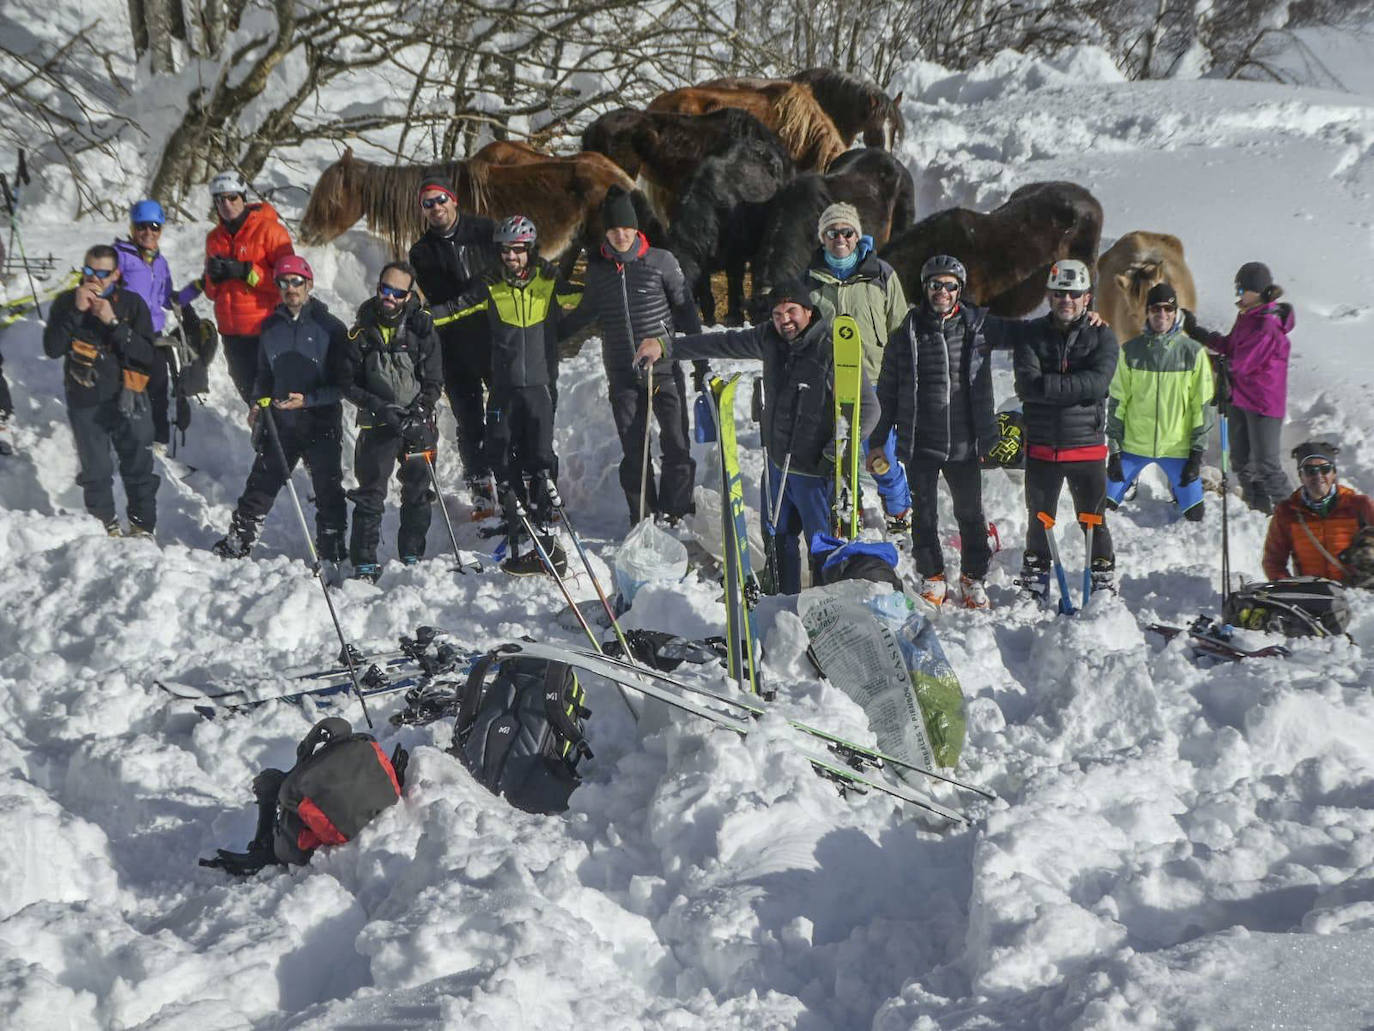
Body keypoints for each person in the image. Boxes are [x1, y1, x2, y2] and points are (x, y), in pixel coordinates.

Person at [636, 280, 877, 594]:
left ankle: (823, 607)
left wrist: (835, 452)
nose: (784, 320)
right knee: (777, 540)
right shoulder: (769, 339)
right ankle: (783, 602)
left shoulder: (832, 349)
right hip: (777, 467)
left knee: (823, 549)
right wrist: (666, 347)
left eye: (792, 311)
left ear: (808, 310)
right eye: (777, 314)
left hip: (816, 473)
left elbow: (869, 409)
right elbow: (721, 343)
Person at [436, 215, 580, 575]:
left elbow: (585, 298)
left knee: (541, 454)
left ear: (529, 250)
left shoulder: (548, 281)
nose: (511, 257)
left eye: (517, 250)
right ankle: (514, 514)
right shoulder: (489, 285)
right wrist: (414, 316)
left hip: (538, 389)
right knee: (498, 450)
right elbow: (452, 310)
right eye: (505, 250)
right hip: (502, 390)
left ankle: (544, 517)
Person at [562, 185, 704, 525]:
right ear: (606, 232)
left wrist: (701, 361)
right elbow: (584, 313)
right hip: (622, 374)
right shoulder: (599, 272)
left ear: (636, 228)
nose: (621, 234)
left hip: (664, 369)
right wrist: (546, 336)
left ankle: (677, 511)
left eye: (626, 228)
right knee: (635, 450)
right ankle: (643, 515)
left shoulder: (661, 262)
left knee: (676, 443)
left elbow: (686, 310)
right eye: (614, 229)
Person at [212, 256, 349, 562]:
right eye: (283, 283)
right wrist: (258, 404)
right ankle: (239, 541)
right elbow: (264, 374)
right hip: (281, 421)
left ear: (309, 283)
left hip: (321, 420)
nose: (290, 288)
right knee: (261, 482)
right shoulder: (270, 326)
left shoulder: (331, 328)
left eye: (297, 281)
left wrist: (309, 400)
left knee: (327, 488)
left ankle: (333, 549)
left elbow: (344, 385)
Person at [1014, 259, 1119, 596]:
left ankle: (1102, 575)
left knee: (1092, 519)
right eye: (1060, 293)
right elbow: (1027, 384)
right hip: (1042, 448)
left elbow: (1099, 383)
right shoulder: (1032, 334)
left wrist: (1050, 387)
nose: (1066, 300)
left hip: (1086, 447)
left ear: (1087, 297)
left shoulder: (1103, 335)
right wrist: (1074, 387)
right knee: (1039, 518)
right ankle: (1036, 573)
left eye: (1074, 293)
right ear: (1049, 296)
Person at [805, 202, 912, 533]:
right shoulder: (808, 279)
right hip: (830, 384)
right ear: (822, 237)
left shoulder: (881, 273)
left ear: (857, 235)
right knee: (837, 455)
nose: (841, 238)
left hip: (876, 381)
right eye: (833, 232)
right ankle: (846, 510)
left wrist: (901, 378)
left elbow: (900, 327)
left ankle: (898, 512)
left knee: (880, 458)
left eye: (847, 232)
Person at [335, 261, 444, 582]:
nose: (390, 297)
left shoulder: (422, 330)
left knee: (418, 490)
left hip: (416, 422)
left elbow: (435, 379)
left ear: (409, 295)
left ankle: (412, 554)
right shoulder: (360, 331)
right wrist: (381, 409)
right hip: (377, 422)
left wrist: (420, 412)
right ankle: (365, 561)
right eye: (385, 289)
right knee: (370, 491)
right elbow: (347, 382)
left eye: (398, 293)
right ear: (378, 287)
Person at [41, 245, 159, 535]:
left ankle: (142, 528)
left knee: (139, 468)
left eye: (103, 273)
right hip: (85, 400)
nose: (95, 279)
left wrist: (113, 323)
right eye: (89, 271)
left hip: (129, 396)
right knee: (96, 471)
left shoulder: (131, 304)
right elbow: (52, 349)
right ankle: (104, 528)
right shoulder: (67, 302)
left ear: (116, 274)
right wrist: (76, 314)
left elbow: (147, 354)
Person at [408, 176, 499, 502]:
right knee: (469, 419)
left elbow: (494, 280)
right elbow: (434, 301)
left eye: (440, 200)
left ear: (453, 200)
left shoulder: (485, 232)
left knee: (503, 412)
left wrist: (453, 307)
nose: (436, 208)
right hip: (454, 349)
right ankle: (480, 487)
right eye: (427, 203)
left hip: (493, 338)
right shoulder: (421, 252)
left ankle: (512, 476)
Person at [1184, 261, 1293, 514]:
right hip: (1239, 398)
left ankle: (1296, 520)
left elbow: (1238, 364)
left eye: (1242, 290)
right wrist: (1199, 333)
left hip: (1263, 404)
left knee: (1267, 465)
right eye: (1238, 289)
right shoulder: (1247, 316)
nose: (1239, 295)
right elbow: (1230, 346)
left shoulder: (1266, 325)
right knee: (1241, 463)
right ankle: (1260, 512)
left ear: (1257, 291)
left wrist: (1202, 360)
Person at [1105, 281, 1214, 521]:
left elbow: (1201, 407)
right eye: (1156, 309)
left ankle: (1177, 490)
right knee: (1101, 507)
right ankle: (1129, 483)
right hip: (1134, 448)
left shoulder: (1192, 352)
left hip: (1177, 450)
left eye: (1168, 309)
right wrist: (1114, 452)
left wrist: (1196, 454)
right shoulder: (1130, 351)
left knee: (1195, 517)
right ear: (1148, 312)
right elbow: (1117, 403)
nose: (1162, 314)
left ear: (1176, 313)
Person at [183, 170, 295, 404]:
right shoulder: (214, 238)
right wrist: (214, 279)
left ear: (243, 197)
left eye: (232, 197)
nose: (226, 204)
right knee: (252, 399)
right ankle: (262, 439)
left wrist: (246, 272)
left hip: (267, 331)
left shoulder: (271, 232)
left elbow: (291, 285)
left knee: (277, 398)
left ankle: (283, 439)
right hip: (232, 333)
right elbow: (213, 294)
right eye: (220, 199)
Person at [114, 199, 196, 450]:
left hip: (155, 335)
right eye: (142, 227)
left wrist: (197, 289)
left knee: (159, 389)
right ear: (132, 227)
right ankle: (124, 443)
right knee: (129, 390)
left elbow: (167, 299)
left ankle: (158, 442)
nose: (148, 232)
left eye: (154, 227)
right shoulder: (120, 255)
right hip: (128, 333)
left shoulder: (160, 262)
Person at [1262, 441, 1374, 582]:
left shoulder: (1359, 505)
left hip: (1356, 593)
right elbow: (1273, 562)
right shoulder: (1287, 512)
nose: (1318, 475)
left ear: (1334, 473)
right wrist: (1291, 589)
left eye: (1325, 469)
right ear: (1301, 476)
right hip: (1313, 595)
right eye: (1310, 470)